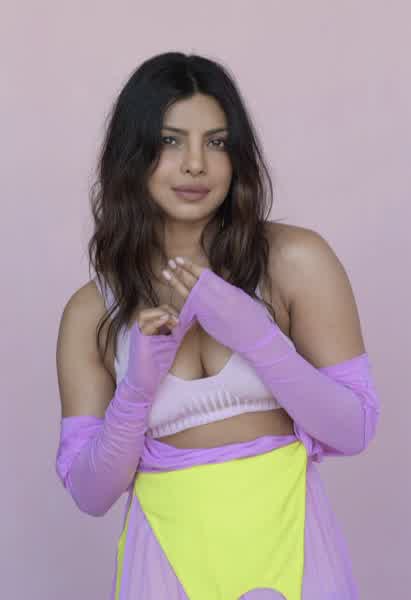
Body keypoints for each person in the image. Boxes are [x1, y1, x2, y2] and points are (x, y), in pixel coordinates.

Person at [55, 52, 381, 600]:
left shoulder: (295, 261)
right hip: (165, 565)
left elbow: (355, 429)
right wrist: (135, 391)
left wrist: (259, 338)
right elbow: (91, 494)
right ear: (132, 154)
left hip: (293, 549)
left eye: (217, 142)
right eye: (170, 140)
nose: (195, 165)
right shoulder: (93, 312)